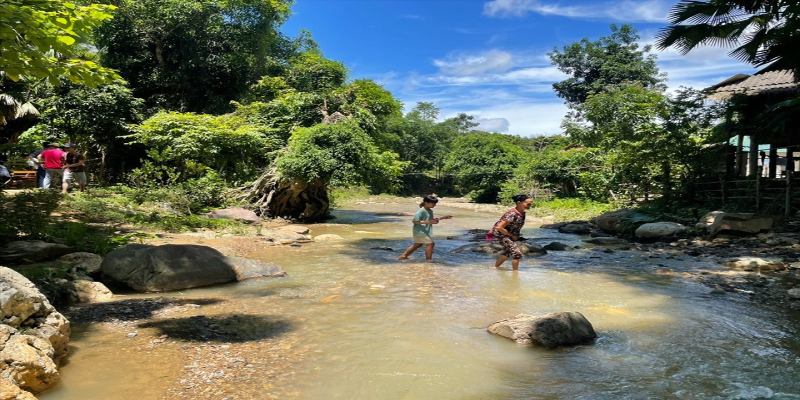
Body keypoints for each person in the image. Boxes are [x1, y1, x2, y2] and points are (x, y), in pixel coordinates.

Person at [399, 195, 451, 262]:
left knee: (418, 244)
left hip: (424, 231)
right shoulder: (421, 211)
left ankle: (404, 256)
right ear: (426, 202)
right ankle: (428, 260)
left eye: (435, 203)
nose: (435, 205)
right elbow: (414, 221)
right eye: (433, 203)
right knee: (430, 244)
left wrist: (442, 218)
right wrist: (429, 222)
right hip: (420, 231)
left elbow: (430, 220)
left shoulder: (429, 211)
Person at [489, 194, 533, 270]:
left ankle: (495, 268)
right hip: (501, 234)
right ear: (519, 203)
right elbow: (499, 227)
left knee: (507, 252)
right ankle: (515, 274)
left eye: (531, 204)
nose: (530, 205)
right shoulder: (512, 214)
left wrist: (516, 236)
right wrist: (511, 235)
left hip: (509, 234)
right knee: (517, 253)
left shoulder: (522, 213)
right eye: (528, 204)